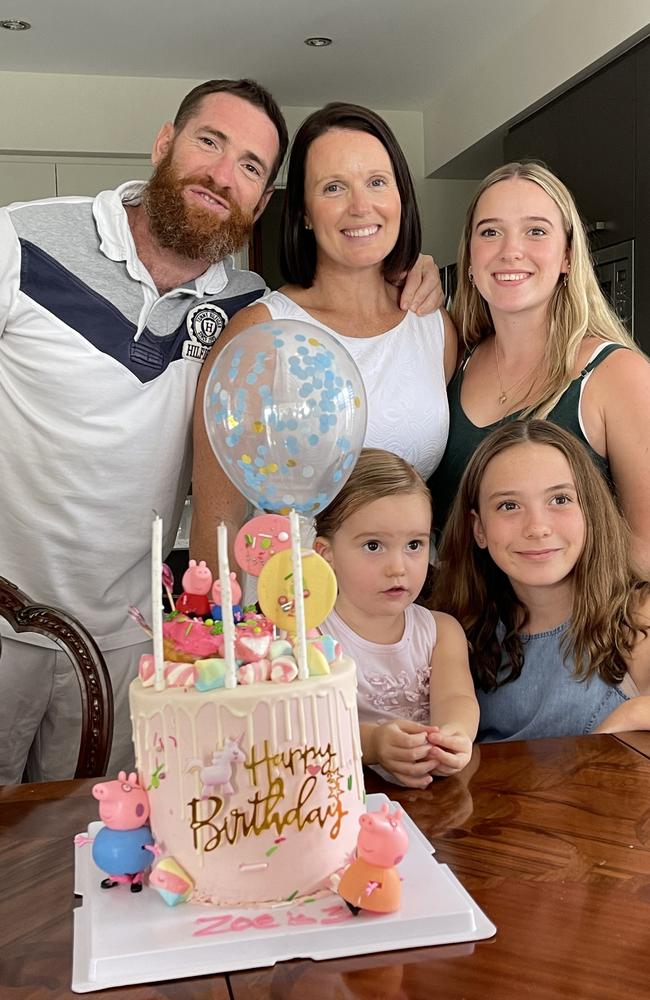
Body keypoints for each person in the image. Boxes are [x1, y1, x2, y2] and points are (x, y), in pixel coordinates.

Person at [0, 80, 441, 785]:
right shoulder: (21, 242)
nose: (222, 174)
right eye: (211, 142)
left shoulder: (238, 301)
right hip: (7, 622)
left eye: (250, 166)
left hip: (136, 636)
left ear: (264, 202)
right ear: (165, 143)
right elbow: (221, 510)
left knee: (94, 845)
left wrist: (424, 276)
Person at [191, 102, 456, 575]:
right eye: (334, 187)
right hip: (288, 624)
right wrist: (220, 636)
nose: (360, 206)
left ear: (400, 198)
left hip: (402, 616)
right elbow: (217, 526)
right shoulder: (261, 332)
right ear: (305, 214)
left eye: (377, 182)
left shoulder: (433, 326)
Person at [429, 161, 650, 575]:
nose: (511, 250)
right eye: (490, 232)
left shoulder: (618, 375)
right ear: (471, 261)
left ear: (567, 256)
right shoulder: (451, 357)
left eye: (536, 231)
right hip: (455, 628)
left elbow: (646, 553)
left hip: (579, 636)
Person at [434, 420, 650, 743]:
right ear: (479, 529)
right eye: (509, 506)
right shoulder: (456, 633)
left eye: (559, 499)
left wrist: (628, 716)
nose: (537, 527)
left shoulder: (636, 619)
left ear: (589, 509)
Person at [313, 448, 479, 789]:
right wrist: (374, 744)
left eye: (414, 545)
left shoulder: (441, 632)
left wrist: (452, 738)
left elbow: (456, 699)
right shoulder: (309, 637)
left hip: (434, 798)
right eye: (373, 546)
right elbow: (307, 728)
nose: (398, 567)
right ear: (325, 553)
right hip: (344, 799)